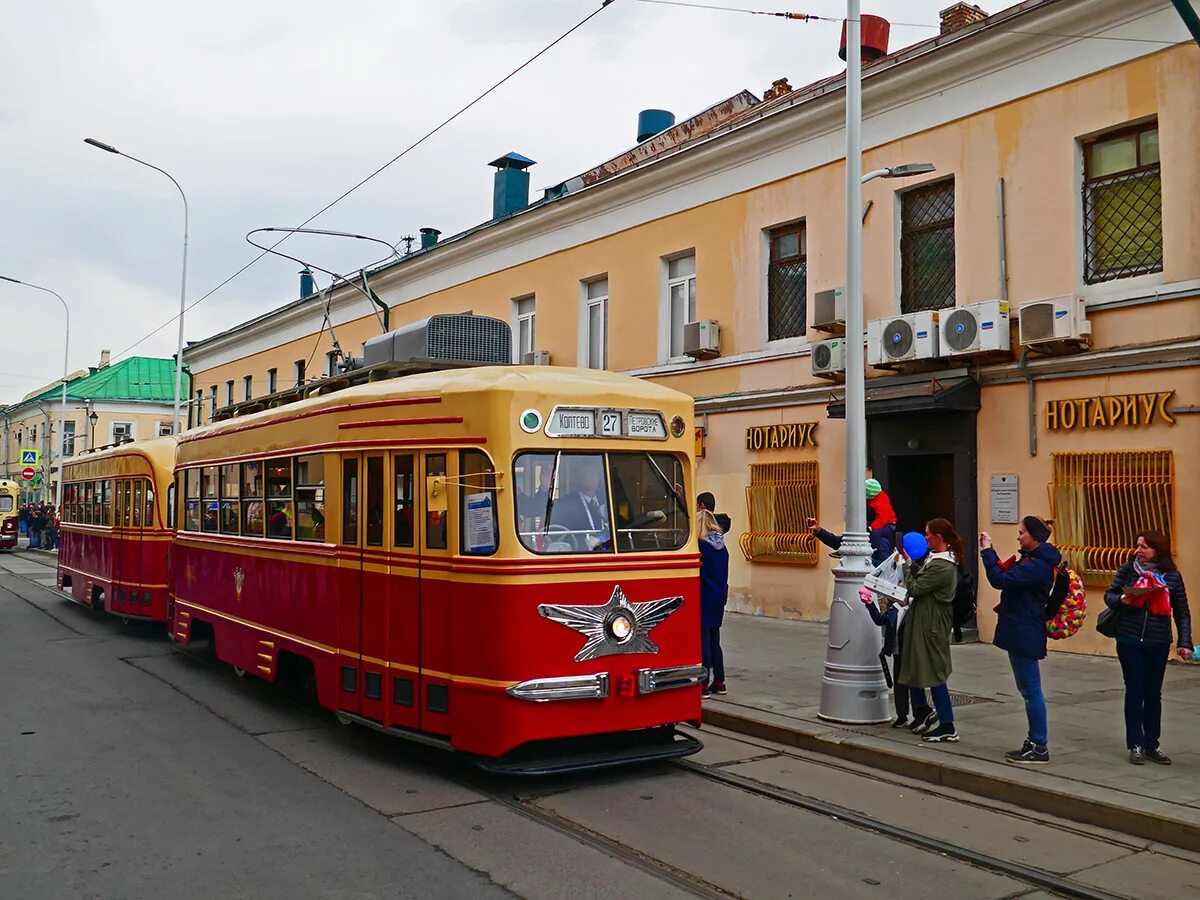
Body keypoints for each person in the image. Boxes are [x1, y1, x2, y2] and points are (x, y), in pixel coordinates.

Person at [1104, 531, 1192, 765]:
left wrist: (1185, 642)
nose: (1138, 551)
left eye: (1144, 547)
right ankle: (1136, 744)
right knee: (1135, 691)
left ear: (1158, 550)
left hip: (1158, 641)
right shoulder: (1128, 571)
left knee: (1153, 693)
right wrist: (1121, 599)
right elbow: (1110, 595)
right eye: (1137, 546)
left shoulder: (1171, 577)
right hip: (1129, 639)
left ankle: (1152, 743)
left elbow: (1182, 611)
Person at [980, 516, 1060, 765]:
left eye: (1022, 532)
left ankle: (1039, 745)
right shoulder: (1034, 560)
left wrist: (987, 552)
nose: (1018, 536)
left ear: (1034, 537)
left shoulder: (1036, 566)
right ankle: (1035, 741)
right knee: (1028, 690)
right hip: (1022, 629)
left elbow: (1000, 580)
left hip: (1025, 631)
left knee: (1031, 691)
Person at [898, 517, 962, 743]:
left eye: (928, 534)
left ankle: (947, 725)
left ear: (939, 537)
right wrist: (910, 562)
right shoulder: (936, 560)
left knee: (935, 672)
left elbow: (916, 587)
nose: (925, 537)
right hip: (924, 619)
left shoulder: (944, 565)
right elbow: (922, 578)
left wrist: (905, 566)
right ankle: (922, 711)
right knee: (914, 664)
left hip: (932, 623)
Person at [808, 478, 897, 566]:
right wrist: (818, 530)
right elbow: (838, 542)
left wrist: (861, 559)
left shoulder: (882, 539)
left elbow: (884, 566)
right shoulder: (862, 531)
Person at [698, 509, 730, 698]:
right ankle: (720, 682)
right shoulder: (722, 547)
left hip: (704, 595)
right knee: (715, 640)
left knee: (704, 641)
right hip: (719, 596)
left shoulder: (702, 546)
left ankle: (703, 684)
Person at [551, 461, 609, 545]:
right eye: (588, 474)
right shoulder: (566, 503)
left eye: (596, 474)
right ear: (579, 478)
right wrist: (585, 540)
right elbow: (559, 534)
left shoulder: (606, 499)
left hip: (607, 550)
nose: (593, 478)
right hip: (580, 552)